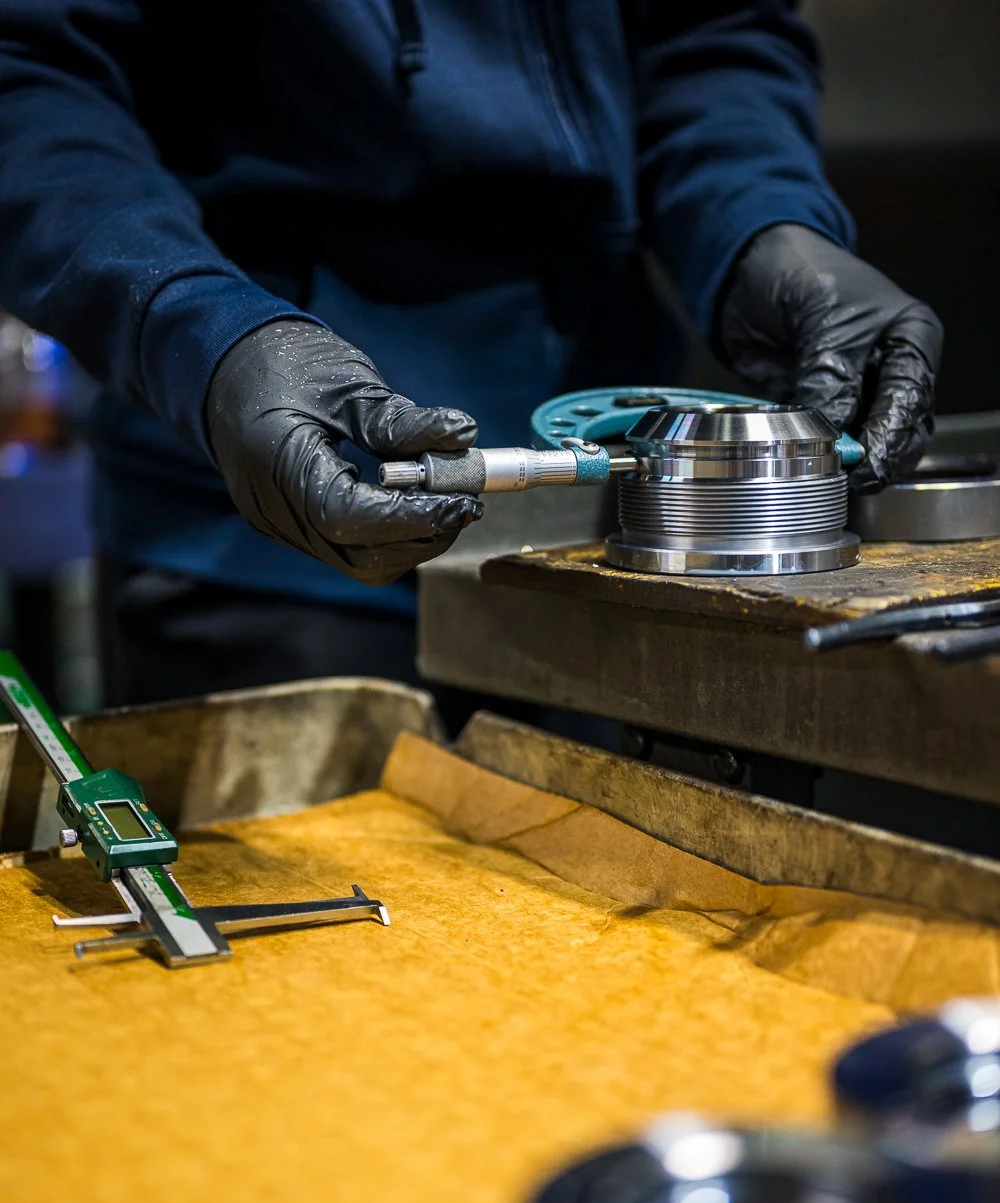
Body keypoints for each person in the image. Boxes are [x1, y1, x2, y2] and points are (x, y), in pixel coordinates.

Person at [0, 2, 941, 708]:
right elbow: (29, 67)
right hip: (264, 555)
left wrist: (759, 223)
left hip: (616, 558)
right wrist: (199, 331)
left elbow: (709, 32)